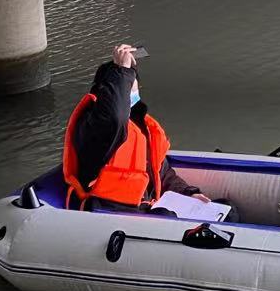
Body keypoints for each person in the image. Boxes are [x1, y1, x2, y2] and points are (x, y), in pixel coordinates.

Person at [61, 44, 226, 217]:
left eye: (134, 86)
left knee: (226, 209)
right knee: (167, 216)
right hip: (109, 213)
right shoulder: (95, 128)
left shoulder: (142, 126)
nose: (134, 91)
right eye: (128, 86)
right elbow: (114, 117)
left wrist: (188, 193)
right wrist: (121, 70)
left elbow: (163, 173)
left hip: (146, 210)